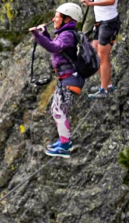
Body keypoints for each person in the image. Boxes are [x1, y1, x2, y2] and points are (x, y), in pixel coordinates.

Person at [31, 3, 86, 158]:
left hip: (70, 80)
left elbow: (54, 48)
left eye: (57, 16)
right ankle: (64, 141)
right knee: (56, 110)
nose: (54, 18)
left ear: (67, 19)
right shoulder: (65, 34)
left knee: (59, 111)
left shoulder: (68, 35)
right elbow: (56, 47)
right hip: (66, 79)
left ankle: (65, 145)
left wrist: (38, 36)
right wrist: (45, 35)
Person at [82, 0, 119, 97]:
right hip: (100, 22)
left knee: (103, 57)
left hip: (109, 23)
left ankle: (104, 90)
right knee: (94, 53)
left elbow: (111, 1)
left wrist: (92, 4)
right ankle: (107, 84)